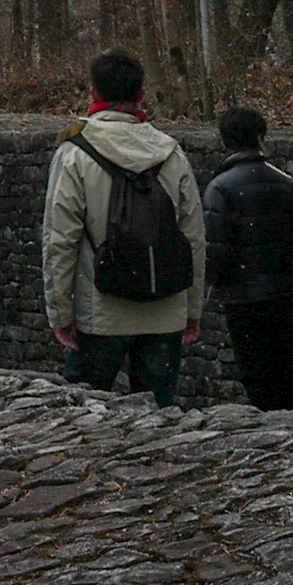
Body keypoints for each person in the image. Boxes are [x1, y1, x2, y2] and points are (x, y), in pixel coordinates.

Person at [40, 50, 207, 402]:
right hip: (164, 309)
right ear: (142, 95)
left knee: (83, 415)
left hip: (100, 311)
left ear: (93, 94)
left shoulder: (75, 154)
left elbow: (60, 241)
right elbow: (193, 238)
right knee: (161, 419)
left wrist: (61, 313)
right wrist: (192, 310)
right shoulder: (172, 154)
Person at [200, 104, 293, 411]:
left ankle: (270, 428)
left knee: (254, 371)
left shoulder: (219, 187)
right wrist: (278, 265)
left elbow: (216, 247)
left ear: (224, 140)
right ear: (260, 137)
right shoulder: (285, 183)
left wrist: (215, 281)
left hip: (242, 295)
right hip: (280, 291)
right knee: (283, 369)